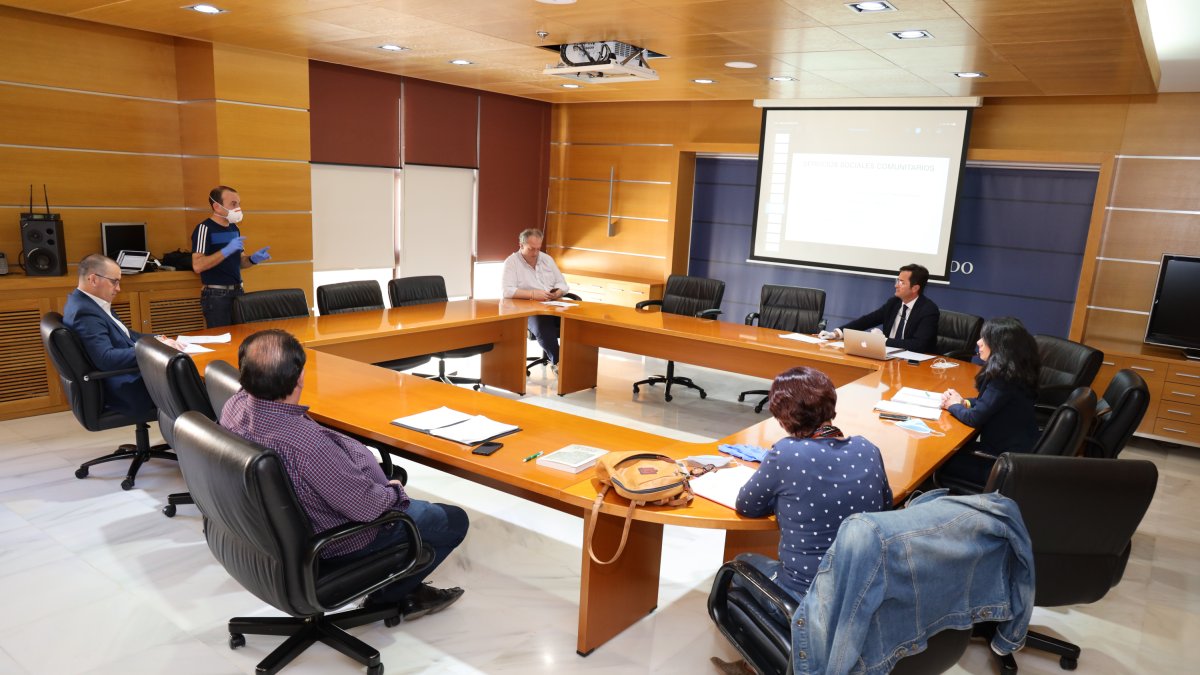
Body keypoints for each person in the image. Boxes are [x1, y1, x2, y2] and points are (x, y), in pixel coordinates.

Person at [220, 329, 468, 620]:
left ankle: (403, 583)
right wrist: (394, 490)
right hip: (338, 539)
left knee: (392, 477)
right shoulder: (306, 447)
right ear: (299, 377)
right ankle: (387, 598)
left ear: (245, 377)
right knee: (452, 519)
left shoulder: (234, 407)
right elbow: (368, 508)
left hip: (266, 531)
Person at [733, 366, 893, 614]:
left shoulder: (788, 453)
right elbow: (885, 506)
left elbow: (746, 505)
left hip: (803, 598)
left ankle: (768, 644)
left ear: (784, 419)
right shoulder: (868, 448)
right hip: (861, 593)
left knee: (740, 563)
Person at [62, 254, 181, 418]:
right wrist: (155, 349)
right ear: (94, 279)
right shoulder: (85, 313)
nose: (118, 288)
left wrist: (158, 339)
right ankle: (201, 437)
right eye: (114, 281)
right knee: (193, 385)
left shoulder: (89, 303)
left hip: (130, 376)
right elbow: (106, 359)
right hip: (127, 387)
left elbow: (127, 334)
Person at [935, 316, 1041, 487]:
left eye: (984, 338)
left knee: (937, 459)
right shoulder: (1015, 370)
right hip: (1016, 454)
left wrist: (952, 405)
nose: (978, 342)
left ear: (1000, 346)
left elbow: (974, 419)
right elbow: (987, 403)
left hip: (1000, 464)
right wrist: (964, 402)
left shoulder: (1003, 378)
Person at [191, 185, 272, 328]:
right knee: (222, 341)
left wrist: (253, 259)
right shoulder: (204, 228)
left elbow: (241, 261)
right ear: (216, 206)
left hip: (238, 292)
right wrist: (226, 251)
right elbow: (198, 266)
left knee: (242, 338)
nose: (238, 208)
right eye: (233, 204)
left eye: (239, 204)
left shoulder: (234, 228)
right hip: (216, 295)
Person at [820, 263, 940, 354]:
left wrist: (882, 341)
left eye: (902, 282)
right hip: (888, 356)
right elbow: (867, 320)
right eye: (897, 280)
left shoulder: (928, 310)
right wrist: (837, 333)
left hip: (915, 364)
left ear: (915, 288)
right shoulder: (894, 303)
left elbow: (918, 345)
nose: (896, 285)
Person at [501, 228, 570, 368]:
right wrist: (532, 294)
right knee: (543, 324)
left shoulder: (546, 259)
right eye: (532, 249)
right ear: (521, 245)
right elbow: (506, 291)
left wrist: (558, 292)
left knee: (577, 322)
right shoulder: (511, 262)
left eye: (538, 249)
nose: (536, 253)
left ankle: (578, 363)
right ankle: (559, 364)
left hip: (553, 303)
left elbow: (562, 283)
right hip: (528, 309)